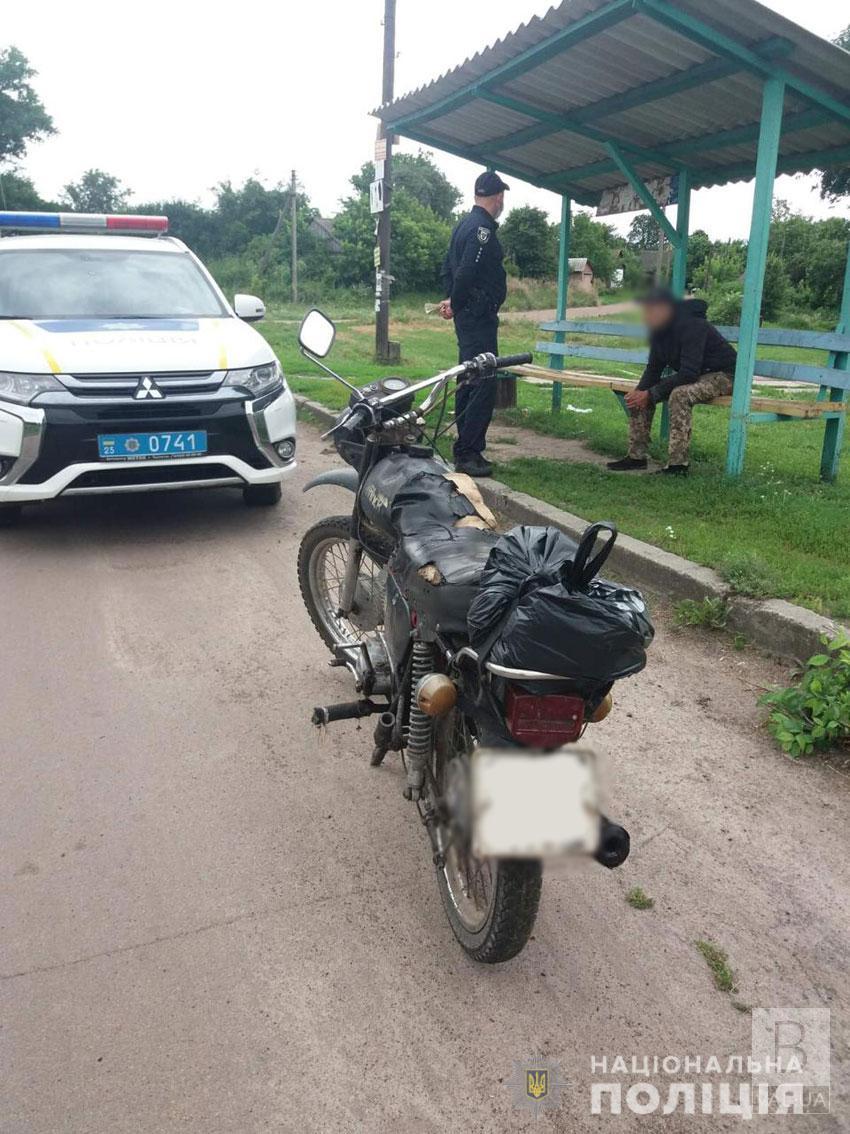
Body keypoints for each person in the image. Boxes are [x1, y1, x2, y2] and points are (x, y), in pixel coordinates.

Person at [607, 287, 738, 476]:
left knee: (679, 395)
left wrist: (651, 394)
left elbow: (688, 373)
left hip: (726, 376)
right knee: (639, 395)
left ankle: (678, 466)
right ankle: (636, 457)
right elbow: (653, 370)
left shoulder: (693, 325)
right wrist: (641, 393)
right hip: (699, 375)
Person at [438, 171, 509, 478]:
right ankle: (469, 451)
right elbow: (466, 271)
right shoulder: (482, 230)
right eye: (502, 197)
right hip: (478, 316)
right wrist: (456, 300)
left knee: (467, 377)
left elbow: (447, 267)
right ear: (498, 197)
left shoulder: (463, 225)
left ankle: (463, 445)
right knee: (483, 379)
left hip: (468, 314)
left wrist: (451, 298)